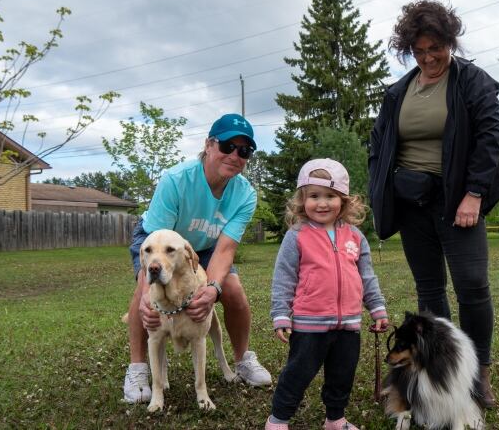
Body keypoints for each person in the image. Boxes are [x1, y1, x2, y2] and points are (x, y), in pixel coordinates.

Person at [367, 0, 499, 409]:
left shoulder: (473, 82)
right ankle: (439, 371)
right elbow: (379, 142)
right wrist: (384, 188)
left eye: (436, 48)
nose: (428, 58)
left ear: (450, 42)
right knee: (430, 291)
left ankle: (479, 375)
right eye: (419, 51)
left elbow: (488, 139)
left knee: (472, 286)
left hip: (458, 200)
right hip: (412, 204)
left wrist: (474, 193)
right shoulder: (398, 92)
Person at [123, 113, 272, 404]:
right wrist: (145, 293)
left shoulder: (245, 194)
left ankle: (242, 360)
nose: (235, 155)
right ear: (209, 145)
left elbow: (225, 249)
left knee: (233, 291)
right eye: (228, 145)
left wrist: (211, 289)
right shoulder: (176, 180)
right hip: (160, 240)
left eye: (244, 151)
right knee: (146, 298)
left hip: (206, 248)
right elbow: (155, 251)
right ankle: (137, 368)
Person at [265, 159, 389, 430]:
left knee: (342, 375)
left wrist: (377, 308)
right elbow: (284, 278)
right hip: (310, 324)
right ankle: (278, 419)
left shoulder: (355, 237)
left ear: (343, 201)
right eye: (314, 196)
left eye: (330, 196)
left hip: (349, 326)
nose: (322, 203)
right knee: (298, 373)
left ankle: (335, 419)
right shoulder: (297, 236)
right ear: (302, 200)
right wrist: (281, 315)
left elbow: (366, 276)